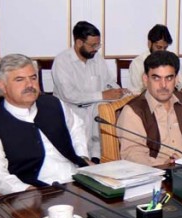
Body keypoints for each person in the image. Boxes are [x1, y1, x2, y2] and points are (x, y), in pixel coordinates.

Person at [0, 54, 89, 194]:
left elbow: (76, 128)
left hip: (78, 180)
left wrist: (83, 157)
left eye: (33, 78)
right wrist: (25, 190)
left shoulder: (54, 104)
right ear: (2, 86)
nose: (30, 85)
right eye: (19, 79)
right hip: (38, 192)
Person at [52, 21, 130, 160]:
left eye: (98, 45)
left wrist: (119, 91)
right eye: (93, 45)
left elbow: (109, 82)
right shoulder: (62, 61)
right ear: (79, 43)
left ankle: (98, 161)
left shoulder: (97, 58)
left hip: (95, 111)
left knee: (99, 152)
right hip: (71, 112)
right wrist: (102, 95)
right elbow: (69, 95)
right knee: (77, 157)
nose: (96, 49)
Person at [117, 51, 182, 166]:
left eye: (169, 78)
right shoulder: (133, 111)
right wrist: (163, 164)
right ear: (146, 80)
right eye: (156, 78)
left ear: (176, 80)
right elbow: (132, 154)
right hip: (156, 173)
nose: (163, 85)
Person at [127, 24, 182, 93]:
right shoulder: (137, 63)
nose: (162, 51)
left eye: (165, 48)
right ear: (149, 44)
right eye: (159, 47)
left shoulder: (172, 59)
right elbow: (135, 91)